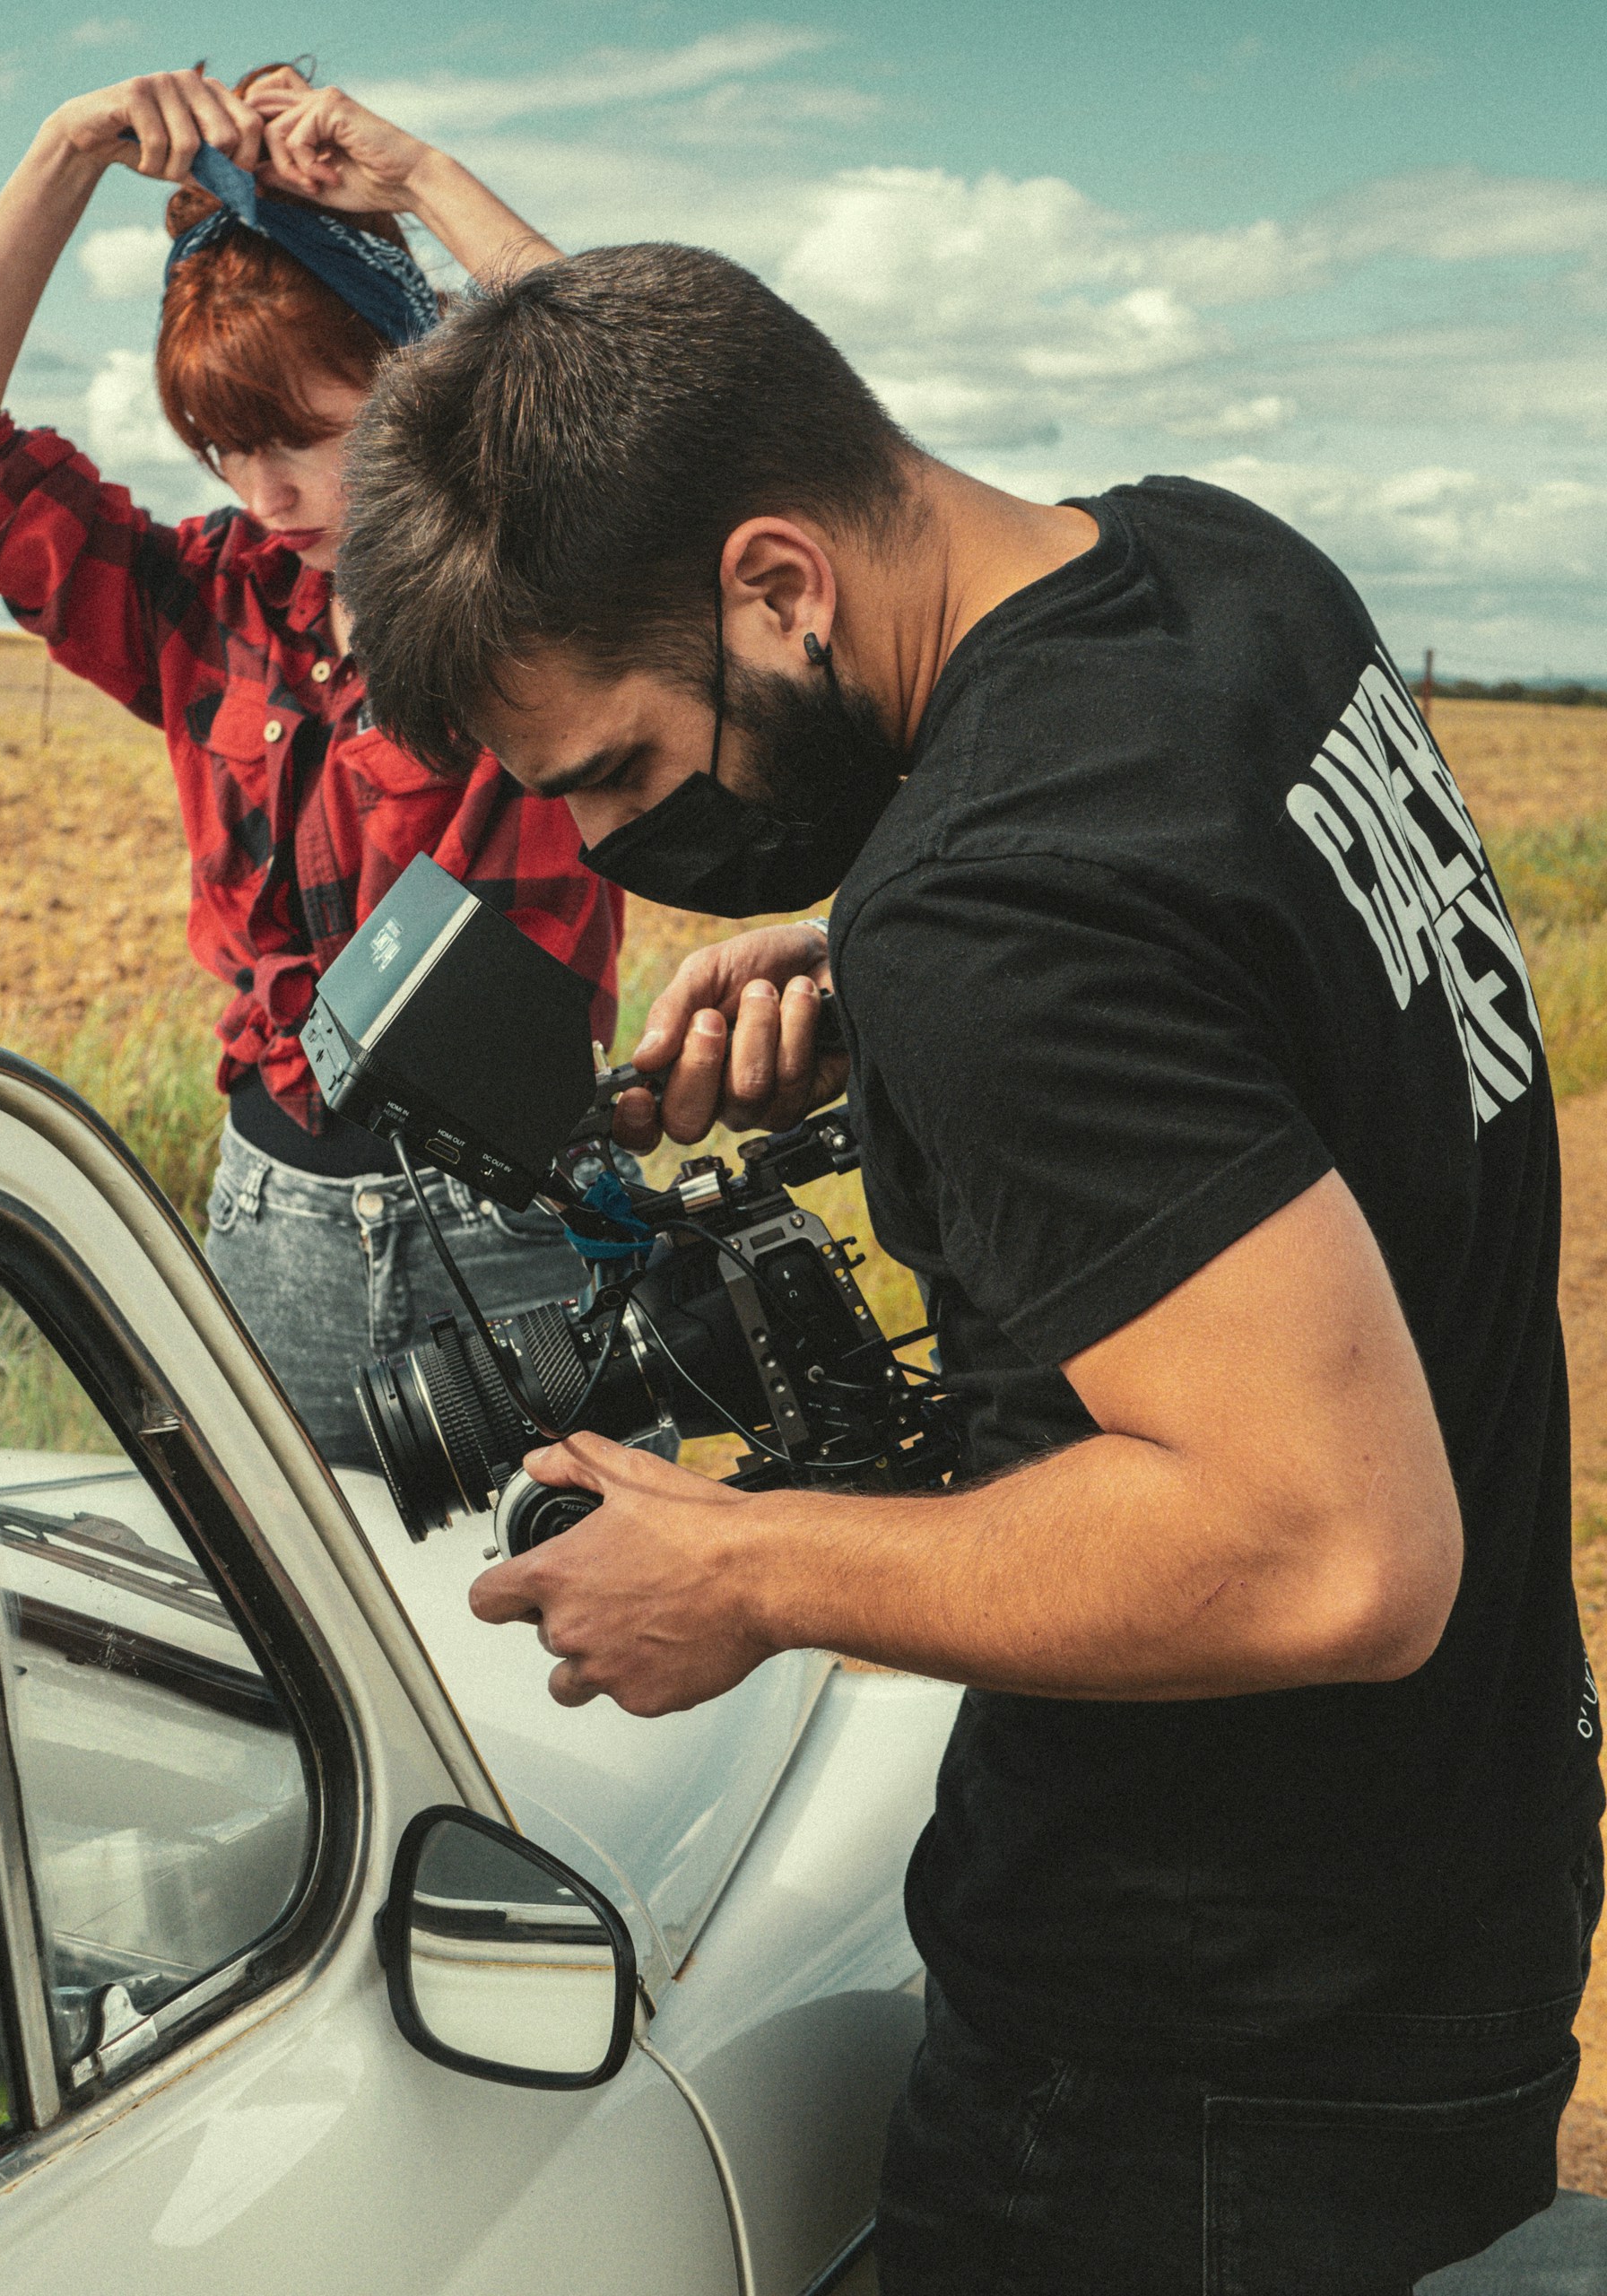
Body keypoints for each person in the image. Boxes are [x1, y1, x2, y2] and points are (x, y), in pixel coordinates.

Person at [335, 244, 1604, 2293]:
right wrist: (888, 978)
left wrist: (747, 1568)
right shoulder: (1219, 571)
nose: (607, 849)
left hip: (1198, 2039)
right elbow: (1238, 941)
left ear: (778, 587)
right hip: (1457, 1874)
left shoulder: (1007, 911)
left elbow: (1336, 1551)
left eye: (623, 775)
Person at [0, 64, 619, 1466]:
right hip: (270, 1225)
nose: (263, 492)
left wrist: (416, 180)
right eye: (225, 450)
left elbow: (616, 394)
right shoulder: (201, 608)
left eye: (305, 442)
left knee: (571, 1642)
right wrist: (61, 150)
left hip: (524, 1222)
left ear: (419, 389)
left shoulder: (533, 588)